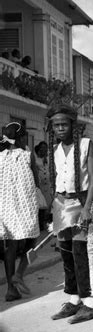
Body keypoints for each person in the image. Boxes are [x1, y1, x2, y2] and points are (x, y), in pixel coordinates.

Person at [47, 104, 93, 323]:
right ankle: (74, 297)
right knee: (65, 252)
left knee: (81, 250)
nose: (60, 128)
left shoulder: (85, 144)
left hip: (81, 202)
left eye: (64, 124)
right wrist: (54, 207)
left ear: (72, 125)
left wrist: (87, 208)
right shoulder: (54, 149)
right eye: (56, 125)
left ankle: (90, 302)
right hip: (61, 204)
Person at [0, 122, 39, 301]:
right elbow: (36, 181)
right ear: (20, 137)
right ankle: (20, 274)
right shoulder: (27, 155)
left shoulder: (0, 157)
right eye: (24, 136)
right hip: (25, 206)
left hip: (6, 208)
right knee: (33, 242)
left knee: (11, 246)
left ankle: (10, 289)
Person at [34, 141, 52, 231]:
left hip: (48, 185)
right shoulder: (35, 159)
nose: (44, 150)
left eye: (45, 149)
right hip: (40, 184)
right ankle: (41, 224)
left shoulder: (48, 159)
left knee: (49, 203)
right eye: (42, 148)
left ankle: (47, 222)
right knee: (41, 204)